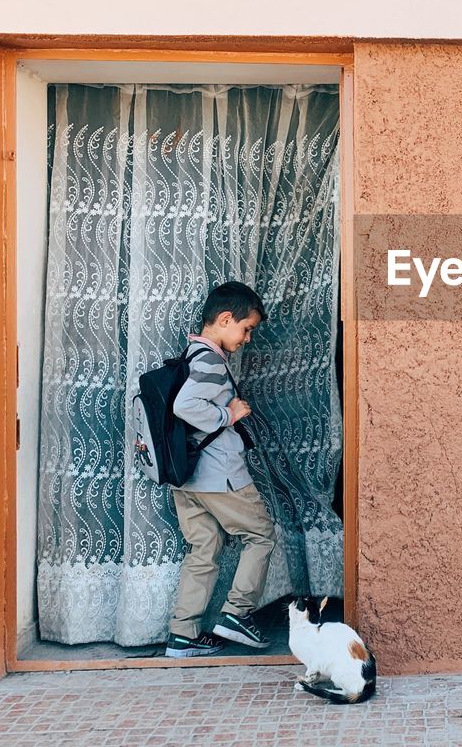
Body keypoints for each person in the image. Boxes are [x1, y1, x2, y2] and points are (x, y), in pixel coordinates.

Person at [164, 281, 276, 657]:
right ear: (226, 319)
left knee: (204, 548)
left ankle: (183, 634)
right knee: (260, 535)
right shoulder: (211, 360)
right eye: (247, 329)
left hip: (188, 478)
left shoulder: (190, 354)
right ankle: (237, 613)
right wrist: (230, 414)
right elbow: (186, 406)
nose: (247, 338)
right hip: (219, 474)